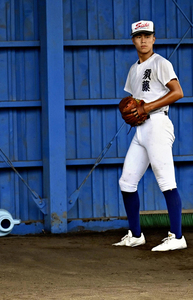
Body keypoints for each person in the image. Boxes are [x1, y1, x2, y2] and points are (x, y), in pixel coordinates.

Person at [113, 20, 187, 251]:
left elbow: (178, 93)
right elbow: (133, 101)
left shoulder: (161, 63)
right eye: (139, 36)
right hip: (142, 129)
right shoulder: (134, 69)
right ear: (133, 40)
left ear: (154, 38)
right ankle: (136, 235)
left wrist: (146, 107)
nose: (143, 40)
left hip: (158, 125)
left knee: (166, 181)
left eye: (147, 36)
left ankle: (177, 237)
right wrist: (137, 111)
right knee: (126, 182)